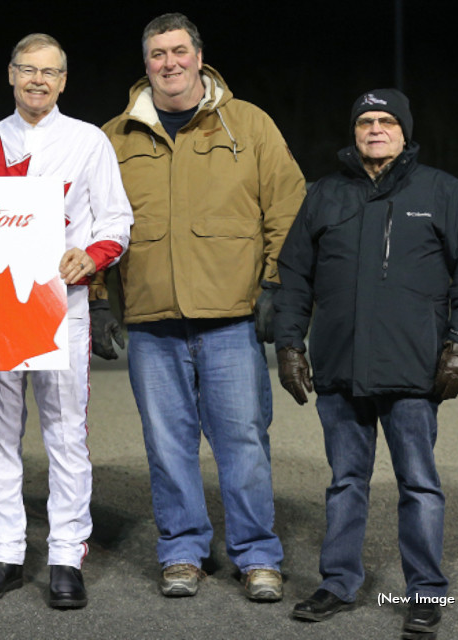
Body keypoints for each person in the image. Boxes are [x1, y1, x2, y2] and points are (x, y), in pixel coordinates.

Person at [96, 12, 305, 601]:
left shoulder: (248, 124)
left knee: (243, 440)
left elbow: (286, 209)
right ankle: (183, 551)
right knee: (167, 446)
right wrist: (97, 302)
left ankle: (257, 554)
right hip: (151, 321)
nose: (170, 62)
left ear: (198, 55)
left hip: (231, 317)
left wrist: (277, 287)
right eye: (158, 53)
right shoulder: (113, 138)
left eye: (179, 50)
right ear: (146, 64)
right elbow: (90, 224)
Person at [274, 88, 458, 636]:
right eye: (366, 121)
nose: (375, 129)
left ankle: (423, 591)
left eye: (386, 121)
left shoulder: (440, 190)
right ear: (354, 131)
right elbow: (294, 276)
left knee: (418, 483)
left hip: (414, 369)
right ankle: (338, 582)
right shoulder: (324, 195)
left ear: (403, 131)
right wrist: (289, 344)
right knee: (346, 480)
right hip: (341, 366)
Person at [0, 33, 132, 609]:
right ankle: (4, 553)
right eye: (28, 70)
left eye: (49, 72)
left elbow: (116, 221)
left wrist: (94, 257)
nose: (38, 80)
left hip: (63, 308)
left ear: (63, 81)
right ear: (10, 74)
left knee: (65, 435)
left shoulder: (88, 142)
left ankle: (64, 556)